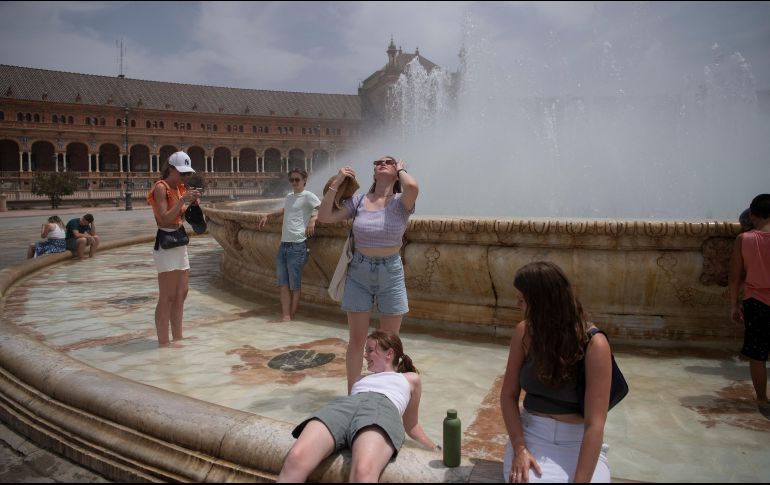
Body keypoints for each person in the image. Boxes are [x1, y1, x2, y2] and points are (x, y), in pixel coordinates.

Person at [501, 261, 612, 483]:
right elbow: (508, 396)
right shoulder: (524, 333)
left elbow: (595, 424)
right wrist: (520, 448)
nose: (517, 304)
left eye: (522, 299)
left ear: (542, 302)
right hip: (532, 435)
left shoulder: (594, 344)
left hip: (578, 441)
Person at [277, 330, 437, 483]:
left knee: (363, 471)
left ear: (389, 353)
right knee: (296, 456)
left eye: (370, 350)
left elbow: (411, 425)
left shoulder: (410, 378)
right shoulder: (360, 379)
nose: (365, 355)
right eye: (365, 350)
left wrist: (434, 447)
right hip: (345, 406)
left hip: (381, 407)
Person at [317, 156, 419, 393]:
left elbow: (413, 187)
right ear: (373, 173)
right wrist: (337, 182)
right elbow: (324, 217)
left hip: (391, 273)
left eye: (388, 161)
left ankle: (385, 393)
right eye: (378, 162)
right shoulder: (358, 200)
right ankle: (353, 393)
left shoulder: (401, 201)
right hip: (359, 273)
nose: (382, 163)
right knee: (357, 340)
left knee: (390, 342)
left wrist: (401, 168)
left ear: (396, 172)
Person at [146, 151, 201, 347]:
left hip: (179, 241)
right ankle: (163, 343)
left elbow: (180, 216)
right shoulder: (161, 187)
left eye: (187, 174)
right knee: (167, 296)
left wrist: (191, 205)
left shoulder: (179, 188)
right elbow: (163, 219)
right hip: (166, 243)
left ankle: (178, 337)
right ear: (170, 169)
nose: (185, 177)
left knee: (181, 293)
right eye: (182, 173)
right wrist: (182, 201)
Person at [258, 168, 321, 322]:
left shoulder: (309, 196)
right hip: (284, 245)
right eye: (291, 180)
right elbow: (285, 210)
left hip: (298, 246)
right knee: (283, 283)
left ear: (304, 180)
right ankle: (286, 316)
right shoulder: (289, 196)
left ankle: (291, 315)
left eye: (297, 179)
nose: (294, 182)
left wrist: (313, 219)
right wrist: (268, 215)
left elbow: (323, 208)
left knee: (294, 285)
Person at [728, 194, 770, 419]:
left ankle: (762, 399)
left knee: (758, 356)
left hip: (756, 302)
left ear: (753, 215)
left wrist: (734, 305)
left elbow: (734, 277)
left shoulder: (744, 239)